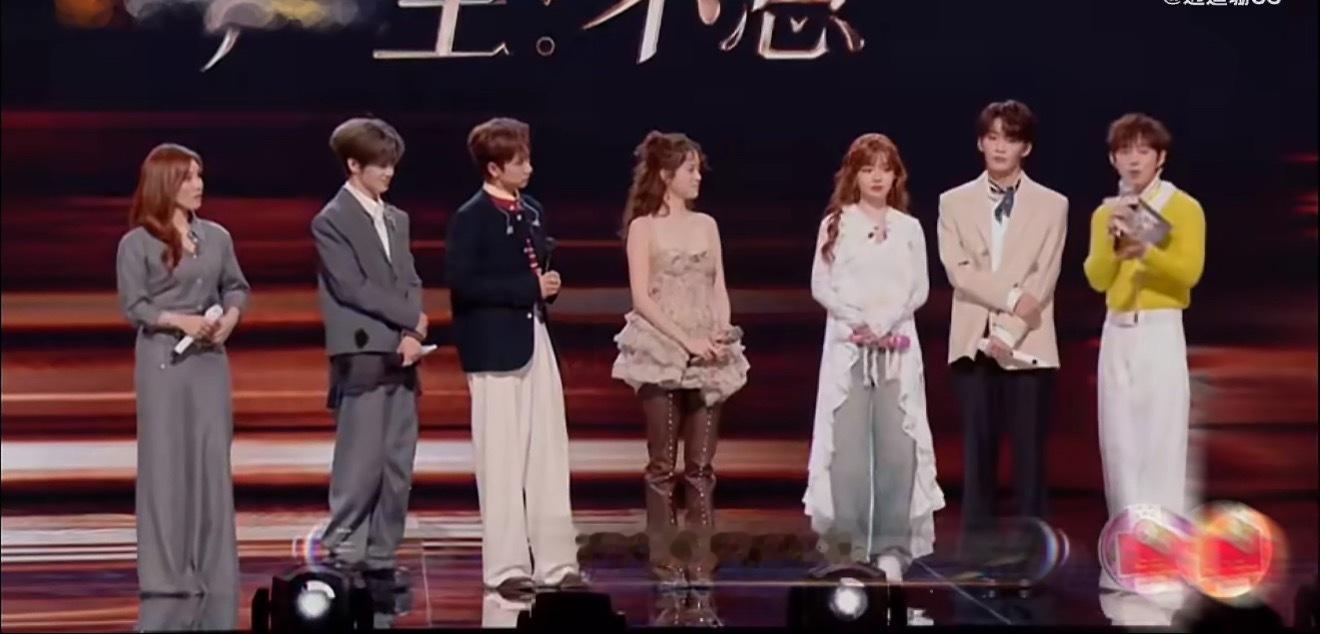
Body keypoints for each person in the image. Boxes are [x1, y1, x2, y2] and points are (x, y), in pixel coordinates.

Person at [446, 117, 584, 595]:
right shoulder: (471, 217)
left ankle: (557, 563)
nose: (528, 168)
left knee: (549, 452)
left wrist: (547, 288)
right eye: (519, 161)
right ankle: (506, 568)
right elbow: (464, 284)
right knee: (501, 459)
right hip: (494, 350)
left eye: (527, 158)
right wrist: (529, 287)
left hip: (535, 338)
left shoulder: (532, 210)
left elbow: (534, 268)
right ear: (493, 167)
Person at [802, 133, 945, 583]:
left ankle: (891, 549)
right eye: (868, 169)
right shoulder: (836, 224)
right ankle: (847, 551)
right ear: (855, 175)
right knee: (845, 456)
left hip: (896, 352)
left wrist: (885, 323)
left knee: (898, 451)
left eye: (885, 168)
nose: (877, 177)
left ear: (896, 175)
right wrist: (859, 320)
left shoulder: (909, 228)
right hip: (848, 351)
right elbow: (821, 285)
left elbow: (920, 287)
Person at [610, 131, 749, 587]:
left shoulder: (707, 224)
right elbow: (641, 297)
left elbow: (718, 285)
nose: (698, 177)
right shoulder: (643, 227)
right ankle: (667, 561)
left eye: (698, 169)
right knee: (662, 466)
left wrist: (720, 330)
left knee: (701, 468)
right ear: (666, 174)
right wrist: (686, 341)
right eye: (690, 169)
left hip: (708, 350)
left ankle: (701, 559)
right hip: (662, 348)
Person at [936, 100, 1068, 565]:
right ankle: (977, 555)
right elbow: (959, 271)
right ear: (980, 142)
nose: (998, 147)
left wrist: (1009, 333)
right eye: (992, 137)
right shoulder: (953, 201)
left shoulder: (1053, 205)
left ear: (1025, 147)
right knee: (978, 456)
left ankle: (1034, 556)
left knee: (1029, 457)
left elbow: (1043, 277)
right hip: (972, 341)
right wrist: (1011, 298)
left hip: (1029, 344)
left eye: (1009, 139)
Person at [116, 142, 249, 596]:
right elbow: (135, 305)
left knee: (212, 459)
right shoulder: (137, 243)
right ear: (165, 184)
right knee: (166, 461)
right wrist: (180, 321)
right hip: (163, 362)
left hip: (209, 363)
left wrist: (229, 319)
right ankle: (168, 575)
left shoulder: (218, 237)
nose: (198, 184)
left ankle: (213, 573)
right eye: (188, 177)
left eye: (199, 174)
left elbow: (236, 287)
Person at [1084, 113, 1205, 589]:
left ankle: (1164, 555)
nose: (1133, 160)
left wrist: (1146, 248)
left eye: (1143, 151)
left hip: (1159, 331)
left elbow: (1188, 272)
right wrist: (1113, 244)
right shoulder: (1106, 212)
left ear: (1160, 157)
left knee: (1161, 444)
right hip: (1117, 332)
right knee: (1120, 445)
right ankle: (1127, 553)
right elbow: (1097, 277)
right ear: (1113, 158)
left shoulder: (1185, 207)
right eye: (1124, 151)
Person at [312, 117, 426, 592]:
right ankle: (345, 550)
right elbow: (352, 287)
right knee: (360, 462)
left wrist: (414, 331)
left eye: (392, 164)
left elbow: (410, 278)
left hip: (404, 352)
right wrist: (410, 318)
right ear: (354, 164)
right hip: (363, 354)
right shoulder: (331, 220)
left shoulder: (396, 219)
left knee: (397, 464)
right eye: (379, 164)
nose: (388, 172)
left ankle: (381, 553)